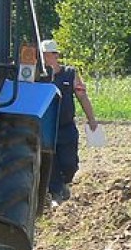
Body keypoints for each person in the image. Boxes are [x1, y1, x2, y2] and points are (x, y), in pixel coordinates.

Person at [40, 39, 98, 207]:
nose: (44, 58)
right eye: (42, 55)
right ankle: (56, 194)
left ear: (55, 55)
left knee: (70, 163)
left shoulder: (70, 74)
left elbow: (82, 96)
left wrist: (91, 119)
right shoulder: (39, 78)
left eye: (46, 55)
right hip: (47, 128)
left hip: (66, 127)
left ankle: (65, 183)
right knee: (51, 162)